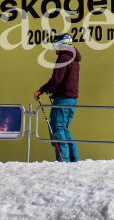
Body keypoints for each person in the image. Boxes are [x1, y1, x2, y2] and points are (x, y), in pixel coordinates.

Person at [33, 33, 82, 163]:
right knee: (64, 128)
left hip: (63, 99)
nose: (55, 48)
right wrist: (53, 91)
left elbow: (56, 79)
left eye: (55, 45)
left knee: (57, 129)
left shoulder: (63, 58)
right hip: (71, 99)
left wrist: (42, 90)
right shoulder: (74, 59)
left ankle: (63, 160)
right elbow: (65, 80)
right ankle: (73, 158)